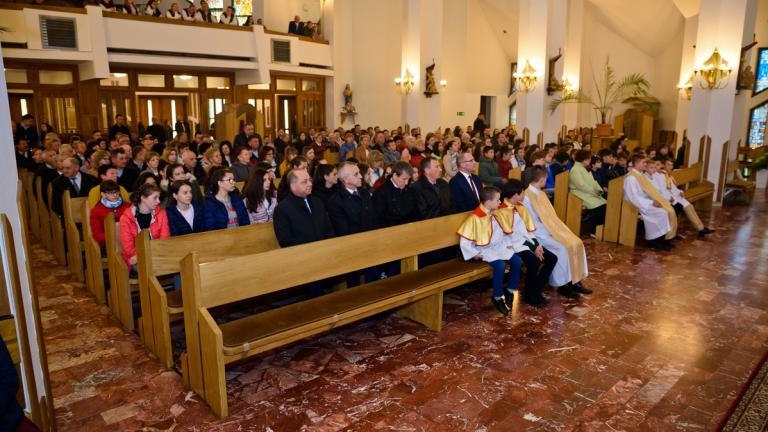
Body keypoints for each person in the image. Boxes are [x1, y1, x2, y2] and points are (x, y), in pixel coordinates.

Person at [522, 166, 590, 300]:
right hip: (539, 234)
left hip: (550, 230)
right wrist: (552, 231)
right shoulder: (527, 197)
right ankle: (562, 284)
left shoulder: (541, 193)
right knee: (562, 248)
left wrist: (557, 229)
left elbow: (551, 216)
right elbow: (532, 223)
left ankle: (574, 280)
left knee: (576, 242)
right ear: (541, 180)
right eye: (546, 178)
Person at [457, 186, 522, 315]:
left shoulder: (497, 213)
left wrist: (508, 245)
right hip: (484, 249)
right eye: (498, 200)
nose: (500, 202)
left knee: (517, 260)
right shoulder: (475, 218)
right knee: (500, 265)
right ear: (488, 202)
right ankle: (497, 297)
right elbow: (464, 241)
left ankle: (510, 290)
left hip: (498, 247)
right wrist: (474, 253)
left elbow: (504, 232)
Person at [496, 180, 558, 308]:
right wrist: (532, 247)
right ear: (516, 194)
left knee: (552, 258)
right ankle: (529, 295)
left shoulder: (520, 207)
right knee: (534, 262)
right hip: (513, 245)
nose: (524, 195)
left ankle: (536, 290)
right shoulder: (501, 211)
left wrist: (537, 244)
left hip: (527, 243)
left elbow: (528, 229)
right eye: (523, 192)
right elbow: (511, 235)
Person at [328, 162, 379, 286]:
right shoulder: (336, 201)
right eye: (356, 174)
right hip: (351, 248)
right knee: (354, 282)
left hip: (371, 244)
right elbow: (343, 230)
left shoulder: (365, 193)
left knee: (373, 280)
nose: (361, 176)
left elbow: (373, 218)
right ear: (346, 179)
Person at [623, 155, 677, 251]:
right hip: (636, 205)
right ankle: (654, 240)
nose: (645, 164)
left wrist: (657, 199)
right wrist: (651, 202)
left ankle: (661, 240)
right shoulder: (631, 178)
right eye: (643, 162)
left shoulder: (639, 175)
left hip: (644, 202)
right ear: (636, 163)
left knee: (664, 210)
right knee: (662, 213)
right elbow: (633, 197)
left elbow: (648, 191)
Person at [651, 159, 715, 237]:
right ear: (664, 165)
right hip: (670, 198)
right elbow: (662, 190)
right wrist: (672, 197)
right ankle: (700, 229)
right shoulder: (657, 176)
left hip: (675, 196)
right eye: (668, 165)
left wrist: (680, 191)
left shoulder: (665, 174)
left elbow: (673, 187)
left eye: (671, 165)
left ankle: (701, 228)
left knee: (690, 206)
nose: (670, 167)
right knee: (687, 208)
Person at [273, 168, 334, 247]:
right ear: (293, 186)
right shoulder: (282, 209)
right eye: (304, 182)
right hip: (302, 253)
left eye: (310, 180)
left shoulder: (317, 202)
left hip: (325, 248)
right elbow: (286, 241)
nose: (310, 184)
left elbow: (329, 229)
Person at [119, 183, 170, 269]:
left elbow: (164, 239)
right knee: (147, 267)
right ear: (143, 198)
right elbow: (128, 248)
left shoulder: (161, 214)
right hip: (136, 257)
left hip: (158, 255)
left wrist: (155, 254)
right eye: (155, 198)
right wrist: (142, 256)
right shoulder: (126, 218)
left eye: (159, 198)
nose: (158, 201)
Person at [569, 150, 607, 231]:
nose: (590, 160)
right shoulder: (575, 169)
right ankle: (594, 230)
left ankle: (599, 229)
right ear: (584, 159)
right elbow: (581, 185)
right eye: (589, 159)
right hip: (579, 194)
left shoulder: (583, 168)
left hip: (587, 193)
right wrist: (594, 192)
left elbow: (593, 181)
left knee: (604, 205)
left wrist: (598, 189)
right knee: (600, 207)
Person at [89, 179, 131, 248]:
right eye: (110, 193)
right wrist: (116, 235)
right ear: (103, 194)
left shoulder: (128, 206)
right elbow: (97, 236)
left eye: (117, 192)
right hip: (109, 244)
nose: (115, 195)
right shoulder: (96, 211)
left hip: (129, 241)